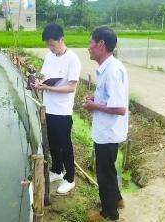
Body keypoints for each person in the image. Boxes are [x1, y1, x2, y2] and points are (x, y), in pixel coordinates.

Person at [83, 27, 128, 221]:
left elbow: (120, 108)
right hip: (107, 131)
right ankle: (117, 199)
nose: (88, 48)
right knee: (109, 169)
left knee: (104, 174)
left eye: (90, 43)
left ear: (101, 45)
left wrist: (94, 106)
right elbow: (110, 98)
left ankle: (109, 213)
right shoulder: (108, 67)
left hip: (108, 133)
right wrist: (96, 98)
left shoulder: (111, 71)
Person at [34, 23, 81, 194]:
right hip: (49, 108)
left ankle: (70, 178)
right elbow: (45, 77)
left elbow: (71, 87)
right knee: (53, 142)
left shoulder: (72, 59)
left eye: (52, 44)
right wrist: (39, 83)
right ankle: (57, 170)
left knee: (65, 145)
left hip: (62, 110)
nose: (50, 48)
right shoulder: (49, 57)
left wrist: (48, 88)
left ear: (61, 40)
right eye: (48, 44)